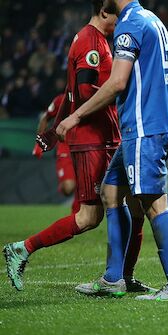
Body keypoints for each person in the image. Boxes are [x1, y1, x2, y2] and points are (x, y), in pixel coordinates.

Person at [3, 0, 150, 294]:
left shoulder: (99, 40)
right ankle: (22, 248)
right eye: (116, 18)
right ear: (104, 12)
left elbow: (69, 93)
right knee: (89, 216)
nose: (120, 24)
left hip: (107, 136)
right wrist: (119, 91)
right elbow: (83, 91)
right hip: (92, 141)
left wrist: (55, 129)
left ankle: (124, 276)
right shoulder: (89, 41)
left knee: (134, 206)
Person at [56, 0, 168, 301]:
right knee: (111, 191)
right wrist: (156, 106)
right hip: (146, 126)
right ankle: (113, 279)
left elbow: (117, 83)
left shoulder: (128, 25)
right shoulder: (153, 19)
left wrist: (75, 116)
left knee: (155, 204)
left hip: (143, 129)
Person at [32, 93, 79, 214]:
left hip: (83, 145)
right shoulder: (60, 100)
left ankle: (76, 213)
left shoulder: (89, 96)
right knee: (68, 188)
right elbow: (45, 118)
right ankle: (64, 185)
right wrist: (39, 144)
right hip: (65, 147)